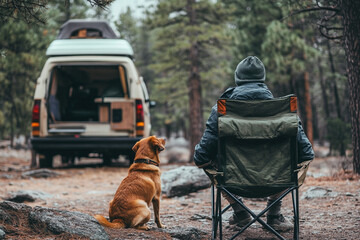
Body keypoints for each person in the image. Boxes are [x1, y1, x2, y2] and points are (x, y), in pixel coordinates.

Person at [194, 56, 315, 231]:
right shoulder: (282, 110)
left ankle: (240, 212)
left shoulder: (221, 111)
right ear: (262, 79)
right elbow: (307, 154)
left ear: (238, 78)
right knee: (292, 159)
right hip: (276, 181)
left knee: (208, 160)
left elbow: (201, 157)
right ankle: (274, 214)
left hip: (233, 182)